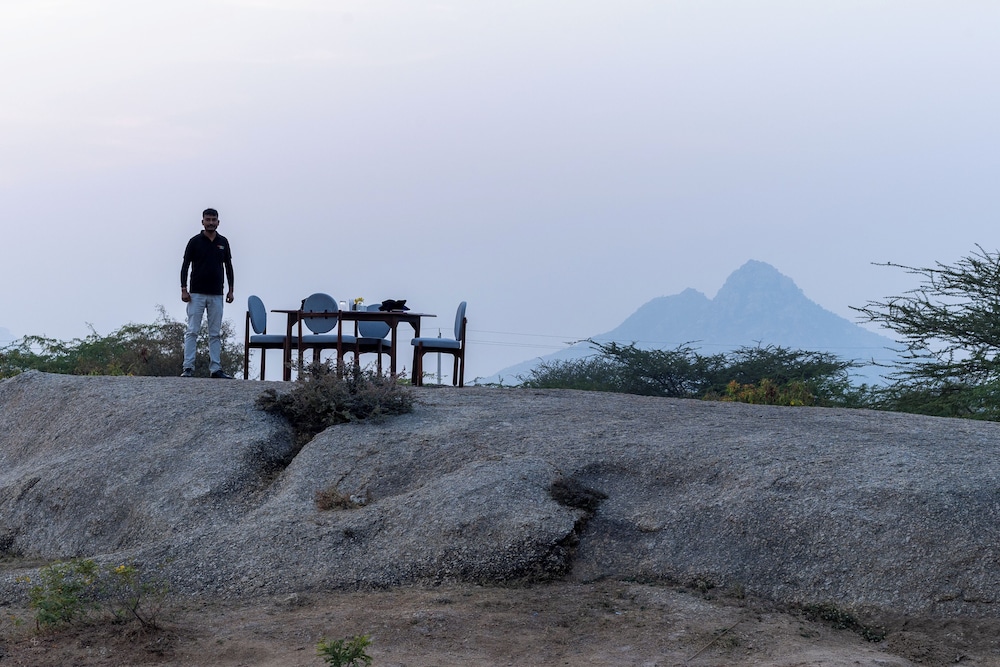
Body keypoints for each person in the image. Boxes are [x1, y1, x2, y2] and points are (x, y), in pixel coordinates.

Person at [180, 208, 235, 378]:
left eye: (214, 220)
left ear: (218, 222)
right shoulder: (194, 241)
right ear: (202, 221)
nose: (211, 222)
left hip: (217, 293)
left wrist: (231, 289)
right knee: (192, 330)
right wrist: (183, 288)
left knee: (215, 333)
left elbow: (229, 267)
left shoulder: (223, 242)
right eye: (208, 219)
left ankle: (216, 368)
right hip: (196, 293)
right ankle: (188, 367)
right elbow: (185, 265)